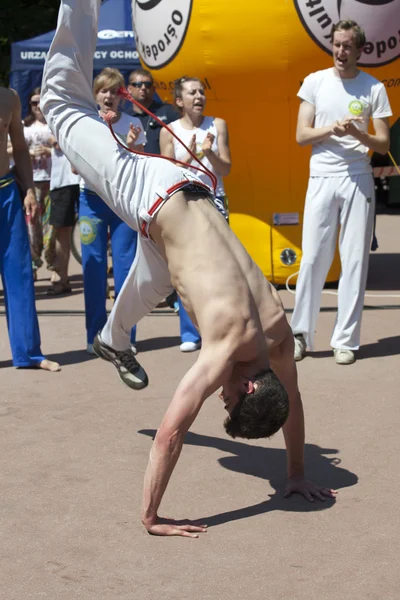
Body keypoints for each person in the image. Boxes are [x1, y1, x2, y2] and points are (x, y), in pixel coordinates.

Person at [41, 0, 336, 538]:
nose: (219, 393)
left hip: (188, 203)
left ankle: (112, 338)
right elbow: (170, 433)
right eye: (227, 398)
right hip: (148, 194)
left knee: (156, 280)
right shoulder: (226, 347)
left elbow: (292, 403)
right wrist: (151, 517)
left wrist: (295, 475)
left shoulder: (279, 342)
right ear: (248, 388)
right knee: (62, 101)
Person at [291, 20, 392, 366]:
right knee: (313, 258)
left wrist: (360, 136)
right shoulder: (315, 82)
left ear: (359, 50)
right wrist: (329, 128)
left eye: (347, 46)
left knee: (354, 261)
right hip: (321, 176)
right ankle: (300, 335)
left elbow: (383, 142)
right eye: (336, 44)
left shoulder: (373, 88)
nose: (340, 51)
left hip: (358, 177)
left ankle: (345, 340)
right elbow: (301, 135)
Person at [77, 67, 146, 359]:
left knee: (125, 269)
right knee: (92, 267)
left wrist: (129, 146)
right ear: (95, 94)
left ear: (123, 96)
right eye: (103, 90)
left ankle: (121, 338)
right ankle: (95, 335)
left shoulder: (134, 123)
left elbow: (139, 165)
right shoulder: (84, 123)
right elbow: (74, 166)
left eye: (115, 91)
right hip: (90, 201)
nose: (109, 96)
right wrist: (103, 132)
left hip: (121, 204)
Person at [160, 76, 231, 352]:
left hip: (214, 199)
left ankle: (219, 330)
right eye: (192, 93)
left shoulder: (218, 124)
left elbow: (225, 169)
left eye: (202, 91)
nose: (199, 96)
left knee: (219, 268)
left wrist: (209, 153)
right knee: (187, 268)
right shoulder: (169, 130)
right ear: (179, 101)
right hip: (184, 203)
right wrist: (188, 157)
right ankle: (190, 332)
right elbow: (166, 172)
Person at [0, 86, 60, 373]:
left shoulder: (8, 97)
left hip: (7, 193)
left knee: (20, 273)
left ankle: (28, 353)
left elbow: (20, 148)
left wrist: (29, 190)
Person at [23, 87, 55, 280]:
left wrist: (50, 151)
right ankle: (33, 264)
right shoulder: (24, 126)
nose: (38, 106)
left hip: (53, 181)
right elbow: (11, 148)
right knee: (32, 226)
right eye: (34, 102)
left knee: (51, 226)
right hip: (31, 182)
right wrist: (29, 153)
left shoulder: (54, 125)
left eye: (41, 102)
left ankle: (53, 265)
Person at [47, 141, 80, 295]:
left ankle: (102, 284)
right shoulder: (48, 118)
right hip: (62, 180)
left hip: (87, 182)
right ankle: (62, 279)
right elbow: (55, 141)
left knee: (96, 232)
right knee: (61, 233)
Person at [126, 68, 178, 155]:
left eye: (147, 85)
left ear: (153, 89)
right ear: (129, 89)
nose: (143, 88)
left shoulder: (169, 112)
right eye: (138, 85)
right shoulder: (124, 117)